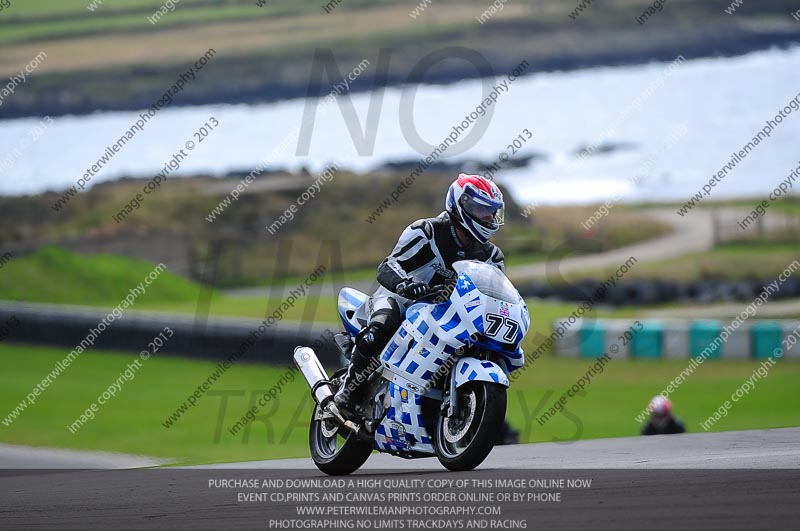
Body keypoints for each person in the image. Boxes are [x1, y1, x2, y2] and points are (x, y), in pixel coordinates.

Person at [333, 173, 506, 418]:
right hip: (401, 301)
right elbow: (388, 265)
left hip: (447, 314)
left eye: (492, 212)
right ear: (461, 205)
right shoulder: (426, 231)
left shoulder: (492, 256)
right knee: (380, 329)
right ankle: (347, 394)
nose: (488, 217)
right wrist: (405, 284)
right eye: (481, 209)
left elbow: (494, 293)